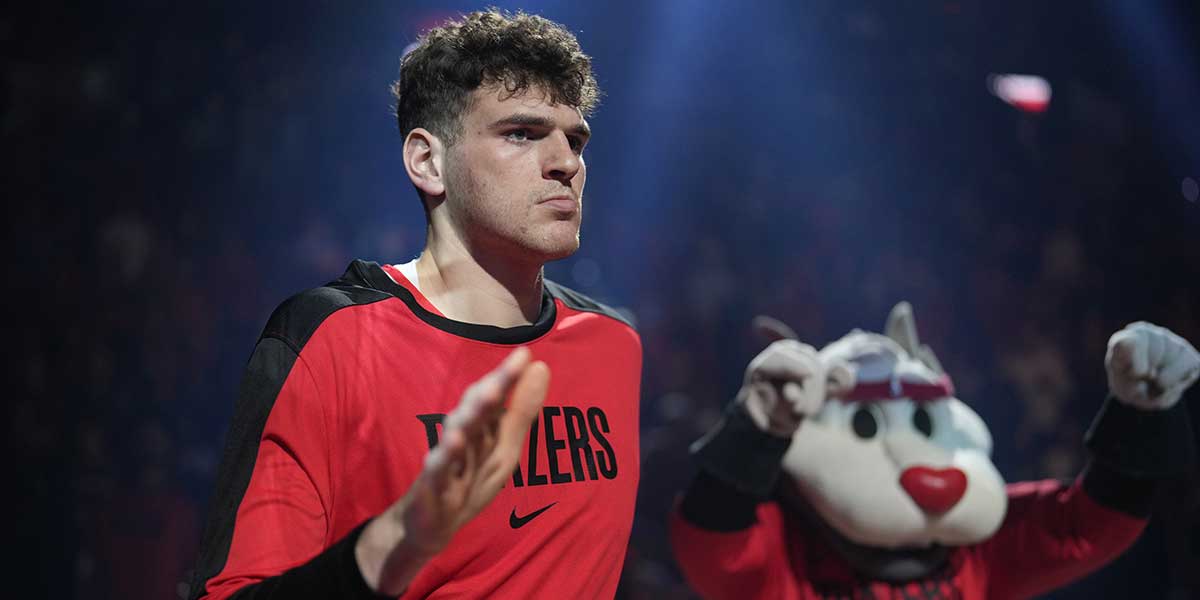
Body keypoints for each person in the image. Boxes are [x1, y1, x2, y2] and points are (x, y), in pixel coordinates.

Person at [188, 10, 641, 599]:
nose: (568, 163)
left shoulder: (614, 345)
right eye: (521, 133)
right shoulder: (327, 341)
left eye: (575, 139)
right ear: (427, 161)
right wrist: (399, 537)